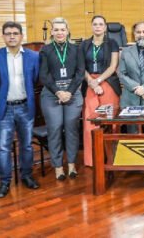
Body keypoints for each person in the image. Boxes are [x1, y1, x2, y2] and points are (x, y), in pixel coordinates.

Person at [0, 21, 40, 198]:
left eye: (15, 33)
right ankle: (4, 182)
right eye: (8, 33)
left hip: (25, 107)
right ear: (3, 36)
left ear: (21, 36)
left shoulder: (33, 56)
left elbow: (34, 79)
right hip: (4, 108)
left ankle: (26, 175)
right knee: (3, 147)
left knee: (26, 145)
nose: (11, 36)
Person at [39, 17, 85, 180]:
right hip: (52, 94)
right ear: (51, 32)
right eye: (56, 30)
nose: (59, 32)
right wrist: (59, 92)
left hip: (73, 92)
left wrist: (69, 92)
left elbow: (80, 73)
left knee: (72, 129)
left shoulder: (76, 49)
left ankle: (71, 165)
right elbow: (43, 75)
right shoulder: (45, 50)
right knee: (55, 129)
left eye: (62, 29)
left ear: (68, 31)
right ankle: (58, 166)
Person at [81, 15, 121, 167]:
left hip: (108, 83)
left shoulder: (112, 43)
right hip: (89, 83)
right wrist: (91, 82)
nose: (98, 27)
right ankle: (93, 160)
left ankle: (112, 158)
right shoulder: (84, 45)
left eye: (101, 24)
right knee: (90, 122)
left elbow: (112, 66)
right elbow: (81, 66)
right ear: (91, 26)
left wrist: (98, 81)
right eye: (95, 24)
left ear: (105, 27)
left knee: (110, 122)